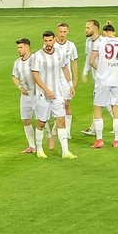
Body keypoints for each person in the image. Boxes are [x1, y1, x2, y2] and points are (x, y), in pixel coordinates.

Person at [31, 29, 77, 160]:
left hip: (57, 94)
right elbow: (35, 75)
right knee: (41, 123)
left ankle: (65, 151)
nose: (48, 43)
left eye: (50, 40)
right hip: (43, 96)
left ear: (53, 40)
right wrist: (46, 90)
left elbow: (65, 68)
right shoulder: (37, 56)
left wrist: (70, 85)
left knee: (61, 121)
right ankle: (39, 149)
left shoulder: (59, 53)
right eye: (45, 41)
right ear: (43, 41)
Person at [88, 21, 118, 149]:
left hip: (103, 81)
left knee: (98, 108)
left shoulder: (100, 42)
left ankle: (99, 140)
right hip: (117, 80)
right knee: (116, 109)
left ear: (106, 32)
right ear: (114, 32)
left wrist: (100, 69)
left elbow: (91, 61)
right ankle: (117, 141)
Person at [13, 38, 41, 155]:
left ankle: (42, 144)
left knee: (41, 120)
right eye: (18, 47)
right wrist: (20, 86)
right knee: (25, 120)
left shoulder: (35, 59)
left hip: (36, 93)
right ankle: (32, 146)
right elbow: (14, 76)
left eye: (21, 47)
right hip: (25, 95)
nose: (18, 50)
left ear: (27, 47)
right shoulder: (17, 62)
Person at [55, 22, 79, 142]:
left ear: (68, 32)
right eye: (60, 31)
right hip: (54, 79)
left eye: (64, 31)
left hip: (66, 79)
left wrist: (75, 79)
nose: (62, 34)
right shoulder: (51, 44)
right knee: (56, 104)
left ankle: (67, 131)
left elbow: (74, 62)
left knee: (66, 104)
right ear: (57, 31)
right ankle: (57, 126)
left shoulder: (71, 46)